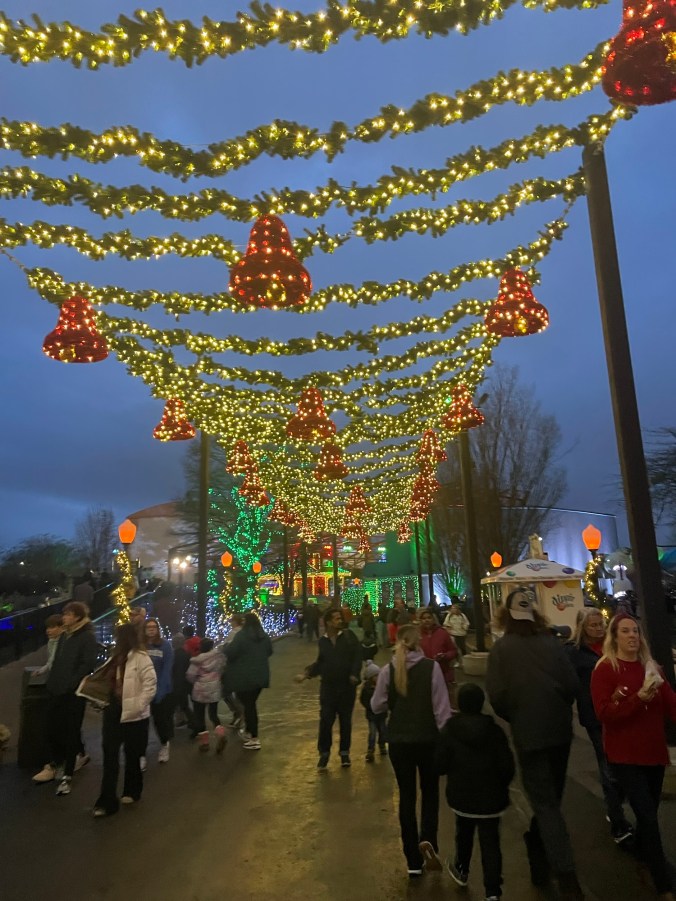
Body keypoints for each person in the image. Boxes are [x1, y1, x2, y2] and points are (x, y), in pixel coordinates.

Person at [486, 589, 583, 901]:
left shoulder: (501, 650)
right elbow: (572, 685)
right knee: (551, 798)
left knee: (545, 803)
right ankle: (538, 855)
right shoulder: (551, 643)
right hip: (559, 731)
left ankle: (566, 876)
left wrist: (516, 713)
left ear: (507, 616)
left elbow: (497, 697)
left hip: (528, 734)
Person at [591, 614, 676, 900]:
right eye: (625, 631)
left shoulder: (651, 668)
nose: (632, 636)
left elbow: (671, 704)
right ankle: (662, 882)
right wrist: (638, 698)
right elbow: (604, 714)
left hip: (653, 752)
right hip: (624, 755)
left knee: (648, 813)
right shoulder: (605, 670)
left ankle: (641, 855)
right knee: (648, 817)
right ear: (614, 636)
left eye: (636, 631)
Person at [371, 624, 452, 877]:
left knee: (406, 796)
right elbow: (442, 710)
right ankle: (429, 841)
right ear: (419, 643)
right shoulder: (432, 668)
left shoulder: (388, 669)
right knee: (430, 792)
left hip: (399, 740)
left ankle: (412, 860)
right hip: (428, 740)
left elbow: (377, 706)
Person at [436, 683, 515, 901]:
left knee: (464, 832)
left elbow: (440, 764)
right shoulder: (494, 731)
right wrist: (501, 786)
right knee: (491, 842)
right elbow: (507, 766)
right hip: (492, 798)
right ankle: (492, 890)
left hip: (462, 796)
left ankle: (461, 869)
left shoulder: (450, 729)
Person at [566, 608, 633, 846]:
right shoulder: (574, 653)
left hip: (621, 711)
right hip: (596, 717)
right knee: (608, 768)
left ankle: (616, 805)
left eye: (600, 624)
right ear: (583, 628)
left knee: (622, 765)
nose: (598, 628)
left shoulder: (611, 647)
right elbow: (569, 685)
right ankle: (618, 821)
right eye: (592, 625)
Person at [92, 623, 157, 817]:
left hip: (135, 715)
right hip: (113, 712)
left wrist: (137, 706)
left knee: (133, 754)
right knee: (110, 755)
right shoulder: (114, 659)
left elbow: (150, 685)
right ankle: (107, 800)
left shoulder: (141, 658)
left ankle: (132, 790)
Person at [36, 602, 98, 796]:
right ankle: (57, 762)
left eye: (69, 614)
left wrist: (71, 683)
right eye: (65, 614)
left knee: (71, 731)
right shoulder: (65, 635)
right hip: (56, 689)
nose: (65, 617)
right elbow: (57, 662)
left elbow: (87, 663)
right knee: (51, 727)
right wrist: (53, 682)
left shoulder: (86, 637)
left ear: (78, 616)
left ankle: (67, 774)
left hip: (72, 693)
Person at [296, 607, 363, 770]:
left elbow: (357, 656)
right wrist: (307, 674)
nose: (340, 620)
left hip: (346, 688)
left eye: (340, 618)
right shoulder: (323, 641)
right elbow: (321, 662)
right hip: (328, 689)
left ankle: (344, 753)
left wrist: (354, 674)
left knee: (345, 722)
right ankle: (324, 754)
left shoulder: (348, 636)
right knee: (326, 721)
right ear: (328, 622)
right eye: (336, 618)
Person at [223, 611, 273, 751]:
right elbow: (269, 651)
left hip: (244, 677)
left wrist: (225, 649)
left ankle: (253, 737)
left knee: (249, 705)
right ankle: (248, 732)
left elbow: (231, 652)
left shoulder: (242, 636)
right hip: (260, 676)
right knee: (250, 704)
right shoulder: (264, 636)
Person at [187, 638, 227, 753]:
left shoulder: (197, 661)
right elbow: (223, 668)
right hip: (214, 688)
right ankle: (221, 734)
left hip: (200, 691)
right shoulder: (218, 657)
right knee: (213, 714)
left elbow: (190, 675)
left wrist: (196, 681)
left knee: (199, 717)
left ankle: (205, 743)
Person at [144, 617, 174, 764]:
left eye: (153, 627)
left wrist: (160, 691)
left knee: (159, 720)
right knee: (141, 723)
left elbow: (167, 670)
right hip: (142, 690)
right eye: (148, 627)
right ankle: (141, 754)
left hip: (159, 690)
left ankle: (164, 744)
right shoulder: (141, 646)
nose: (151, 629)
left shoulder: (165, 646)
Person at [418, 608, 458, 707]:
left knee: (444, 701)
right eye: (423, 618)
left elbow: (453, 651)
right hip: (424, 674)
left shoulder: (442, 633)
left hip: (443, 672)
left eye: (429, 618)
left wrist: (445, 656)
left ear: (433, 619)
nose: (426, 620)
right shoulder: (417, 635)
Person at [359, 660, 387, 762]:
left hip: (382, 714)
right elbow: (362, 699)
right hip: (371, 715)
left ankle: (382, 746)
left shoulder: (382, 686)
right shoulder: (366, 688)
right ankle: (370, 750)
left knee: (383, 731)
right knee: (372, 733)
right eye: (376, 676)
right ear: (371, 678)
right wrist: (369, 706)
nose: (378, 678)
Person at [171, 632, 193, 729]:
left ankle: (194, 723)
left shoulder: (174, 655)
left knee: (181, 705)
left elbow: (176, 671)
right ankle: (189, 721)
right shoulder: (186, 654)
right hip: (185, 683)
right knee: (183, 705)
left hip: (178, 684)